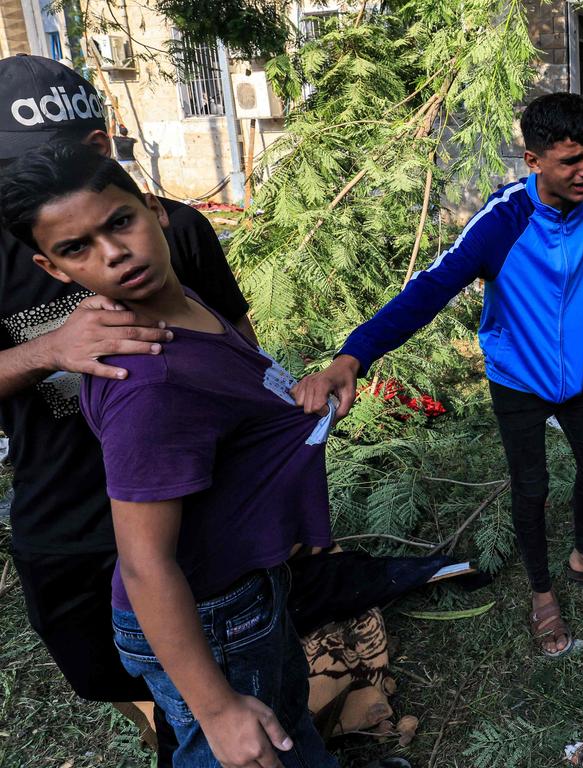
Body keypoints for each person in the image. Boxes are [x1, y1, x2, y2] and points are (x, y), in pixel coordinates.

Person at [0, 141, 340, 768]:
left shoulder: (181, 309)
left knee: (289, 731)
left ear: (154, 208)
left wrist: (298, 403)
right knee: (242, 749)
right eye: (78, 248)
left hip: (243, 590)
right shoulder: (148, 385)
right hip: (210, 618)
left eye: (119, 221)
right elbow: (144, 562)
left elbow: (230, 406)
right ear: (53, 268)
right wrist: (216, 709)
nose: (113, 254)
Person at [292, 92, 583, 658]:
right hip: (517, 379)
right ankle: (542, 592)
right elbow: (427, 291)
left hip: (579, 374)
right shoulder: (502, 222)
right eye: (570, 160)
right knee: (531, 488)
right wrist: (352, 357)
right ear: (533, 161)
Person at [0, 53, 256, 734]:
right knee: (132, 689)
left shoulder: (173, 230)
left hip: (193, 516)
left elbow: (240, 345)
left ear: (95, 150)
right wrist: (48, 350)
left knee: (217, 696)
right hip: (70, 533)